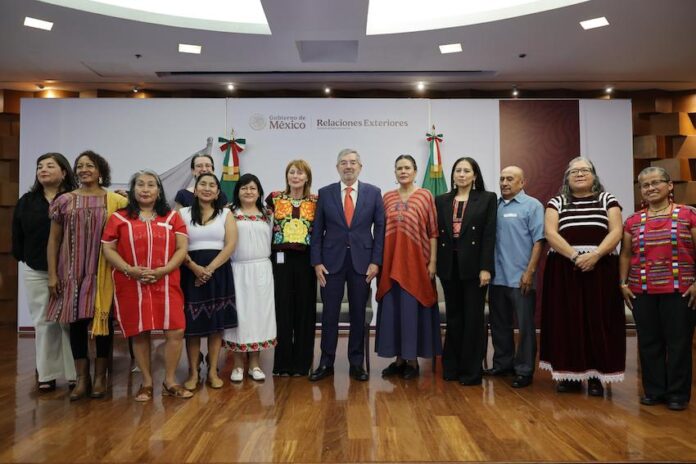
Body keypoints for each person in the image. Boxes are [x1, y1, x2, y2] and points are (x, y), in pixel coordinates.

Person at [101, 170, 192, 401]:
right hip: (132, 282)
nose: (145, 188)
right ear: (133, 190)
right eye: (140, 184)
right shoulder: (118, 218)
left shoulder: (172, 217)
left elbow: (182, 248)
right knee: (140, 330)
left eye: (151, 184)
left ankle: (170, 381)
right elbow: (108, 249)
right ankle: (147, 382)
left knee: (176, 329)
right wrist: (129, 270)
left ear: (159, 191)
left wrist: (164, 270)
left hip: (167, 281)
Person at [540, 157, 625, 396]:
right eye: (574, 171)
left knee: (598, 321)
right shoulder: (556, 202)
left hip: (601, 268)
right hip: (565, 269)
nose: (579, 174)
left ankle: (597, 377)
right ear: (567, 178)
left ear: (594, 175)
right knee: (566, 322)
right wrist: (577, 257)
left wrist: (595, 255)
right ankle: (570, 377)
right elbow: (550, 233)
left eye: (584, 170)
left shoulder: (607, 199)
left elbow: (617, 231)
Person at [47, 150, 128, 400]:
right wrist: (52, 274)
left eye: (89, 165)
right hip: (71, 272)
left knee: (103, 323)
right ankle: (82, 379)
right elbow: (54, 240)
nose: (84, 169)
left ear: (100, 171)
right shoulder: (64, 201)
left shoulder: (117, 201)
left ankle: (101, 378)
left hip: (104, 272)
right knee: (77, 324)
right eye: (79, 166)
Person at [619, 167, 696, 411]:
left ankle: (677, 394)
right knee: (649, 343)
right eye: (645, 185)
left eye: (656, 183)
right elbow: (626, 254)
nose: (650, 188)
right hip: (643, 291)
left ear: (670, 185)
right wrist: (622, 283)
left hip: (681, 290)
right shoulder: (632, 220)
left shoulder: (688, 215)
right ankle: (654, 391)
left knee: (679, 344)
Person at [309, 148, 385, 382]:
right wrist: (316, 262)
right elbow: (317, 231)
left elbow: (380, 229)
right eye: (343, 163)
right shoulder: (325, 193)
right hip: (330, 264)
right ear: (337, 167)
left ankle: (356, 363)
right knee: (329, 315)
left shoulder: (373, 193)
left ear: (360, 167)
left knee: (358, 315)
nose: (348, 166)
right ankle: (325, 362)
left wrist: (376, 261)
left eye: (353, 162)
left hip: (362, 264)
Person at [12, 153, 78, 392]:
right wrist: (26, 258)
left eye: (50, 166)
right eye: (40, 166)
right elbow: (17, 234)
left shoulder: (74, 199)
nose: (43, 170)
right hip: (36, 268)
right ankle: (47, 375)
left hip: (71, 271)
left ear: (64, 172)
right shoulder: (27, 201)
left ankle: (74, 374)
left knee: (69, 322)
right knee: (44, 321)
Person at [375, 155, 441, 379]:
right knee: (394, 311)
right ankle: (399, 360)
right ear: (395, 172)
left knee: (412, 311)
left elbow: (433, 231)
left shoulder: (425, 196)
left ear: (414, 171)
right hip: (391, 264)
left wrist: (432, 261)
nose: (403, 171)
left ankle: (412, 361)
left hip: (417, 265)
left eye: (407, 168)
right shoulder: (386, 198)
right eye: (399, 168)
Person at [435, 157, 497, 386]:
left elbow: (489, 236)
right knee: (454, 318)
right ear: (452, 175)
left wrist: (486, 268)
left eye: (466, 170)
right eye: (457, 170)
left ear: (475, 176)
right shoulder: (441, 200)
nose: (461, 174)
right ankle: (451, 368)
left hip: (474, 268)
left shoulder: (488, 199)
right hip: (449, 267)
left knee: (473, 319)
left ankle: (471, 372)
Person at [485, 166, 544, 388]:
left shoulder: (533, 206)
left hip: (521, 278)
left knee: (526, 327)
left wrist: (530, 272)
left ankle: (524, 370)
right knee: (499, 325)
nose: (504, 183)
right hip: (497, 277)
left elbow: (539, 240)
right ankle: (502, 364)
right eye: (501, 179)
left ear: (522, 182)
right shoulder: (495, 206)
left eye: (510, 179)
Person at [179, 173, 238, 390]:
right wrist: (195, 268)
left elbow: (231, 244)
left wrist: (209, 270)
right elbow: (179, 246)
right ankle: (193, 372)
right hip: (189, 270)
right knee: (192, 326)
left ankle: (213, 370)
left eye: (212, 185)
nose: (207, 188)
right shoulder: (183, 213)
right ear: (194, 190)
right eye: (202, 184)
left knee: (216, 326)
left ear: (217, 191)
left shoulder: (226, 214)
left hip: (218, 272)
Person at [266, 160, 318, 377]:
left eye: (300, 173)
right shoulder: (274, 198)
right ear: (287, 176)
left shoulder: (316, 200)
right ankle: (282, 363)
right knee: (283, 309)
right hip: (280, 260)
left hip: (307, 259)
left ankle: (302, 364)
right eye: (292, 172)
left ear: (307, 177)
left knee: (305, 310)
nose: (295, 176)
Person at [223, 174, 277, 382]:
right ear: (237, 191)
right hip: (237, 269)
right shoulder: (229, 213)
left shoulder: (268, 214)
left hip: (262, 270)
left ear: (259, 191)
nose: (248, 192)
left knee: (259, 315)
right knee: (240, 316)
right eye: (244, 188)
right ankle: (237, 365)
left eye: (253, 188)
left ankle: (254, 364)